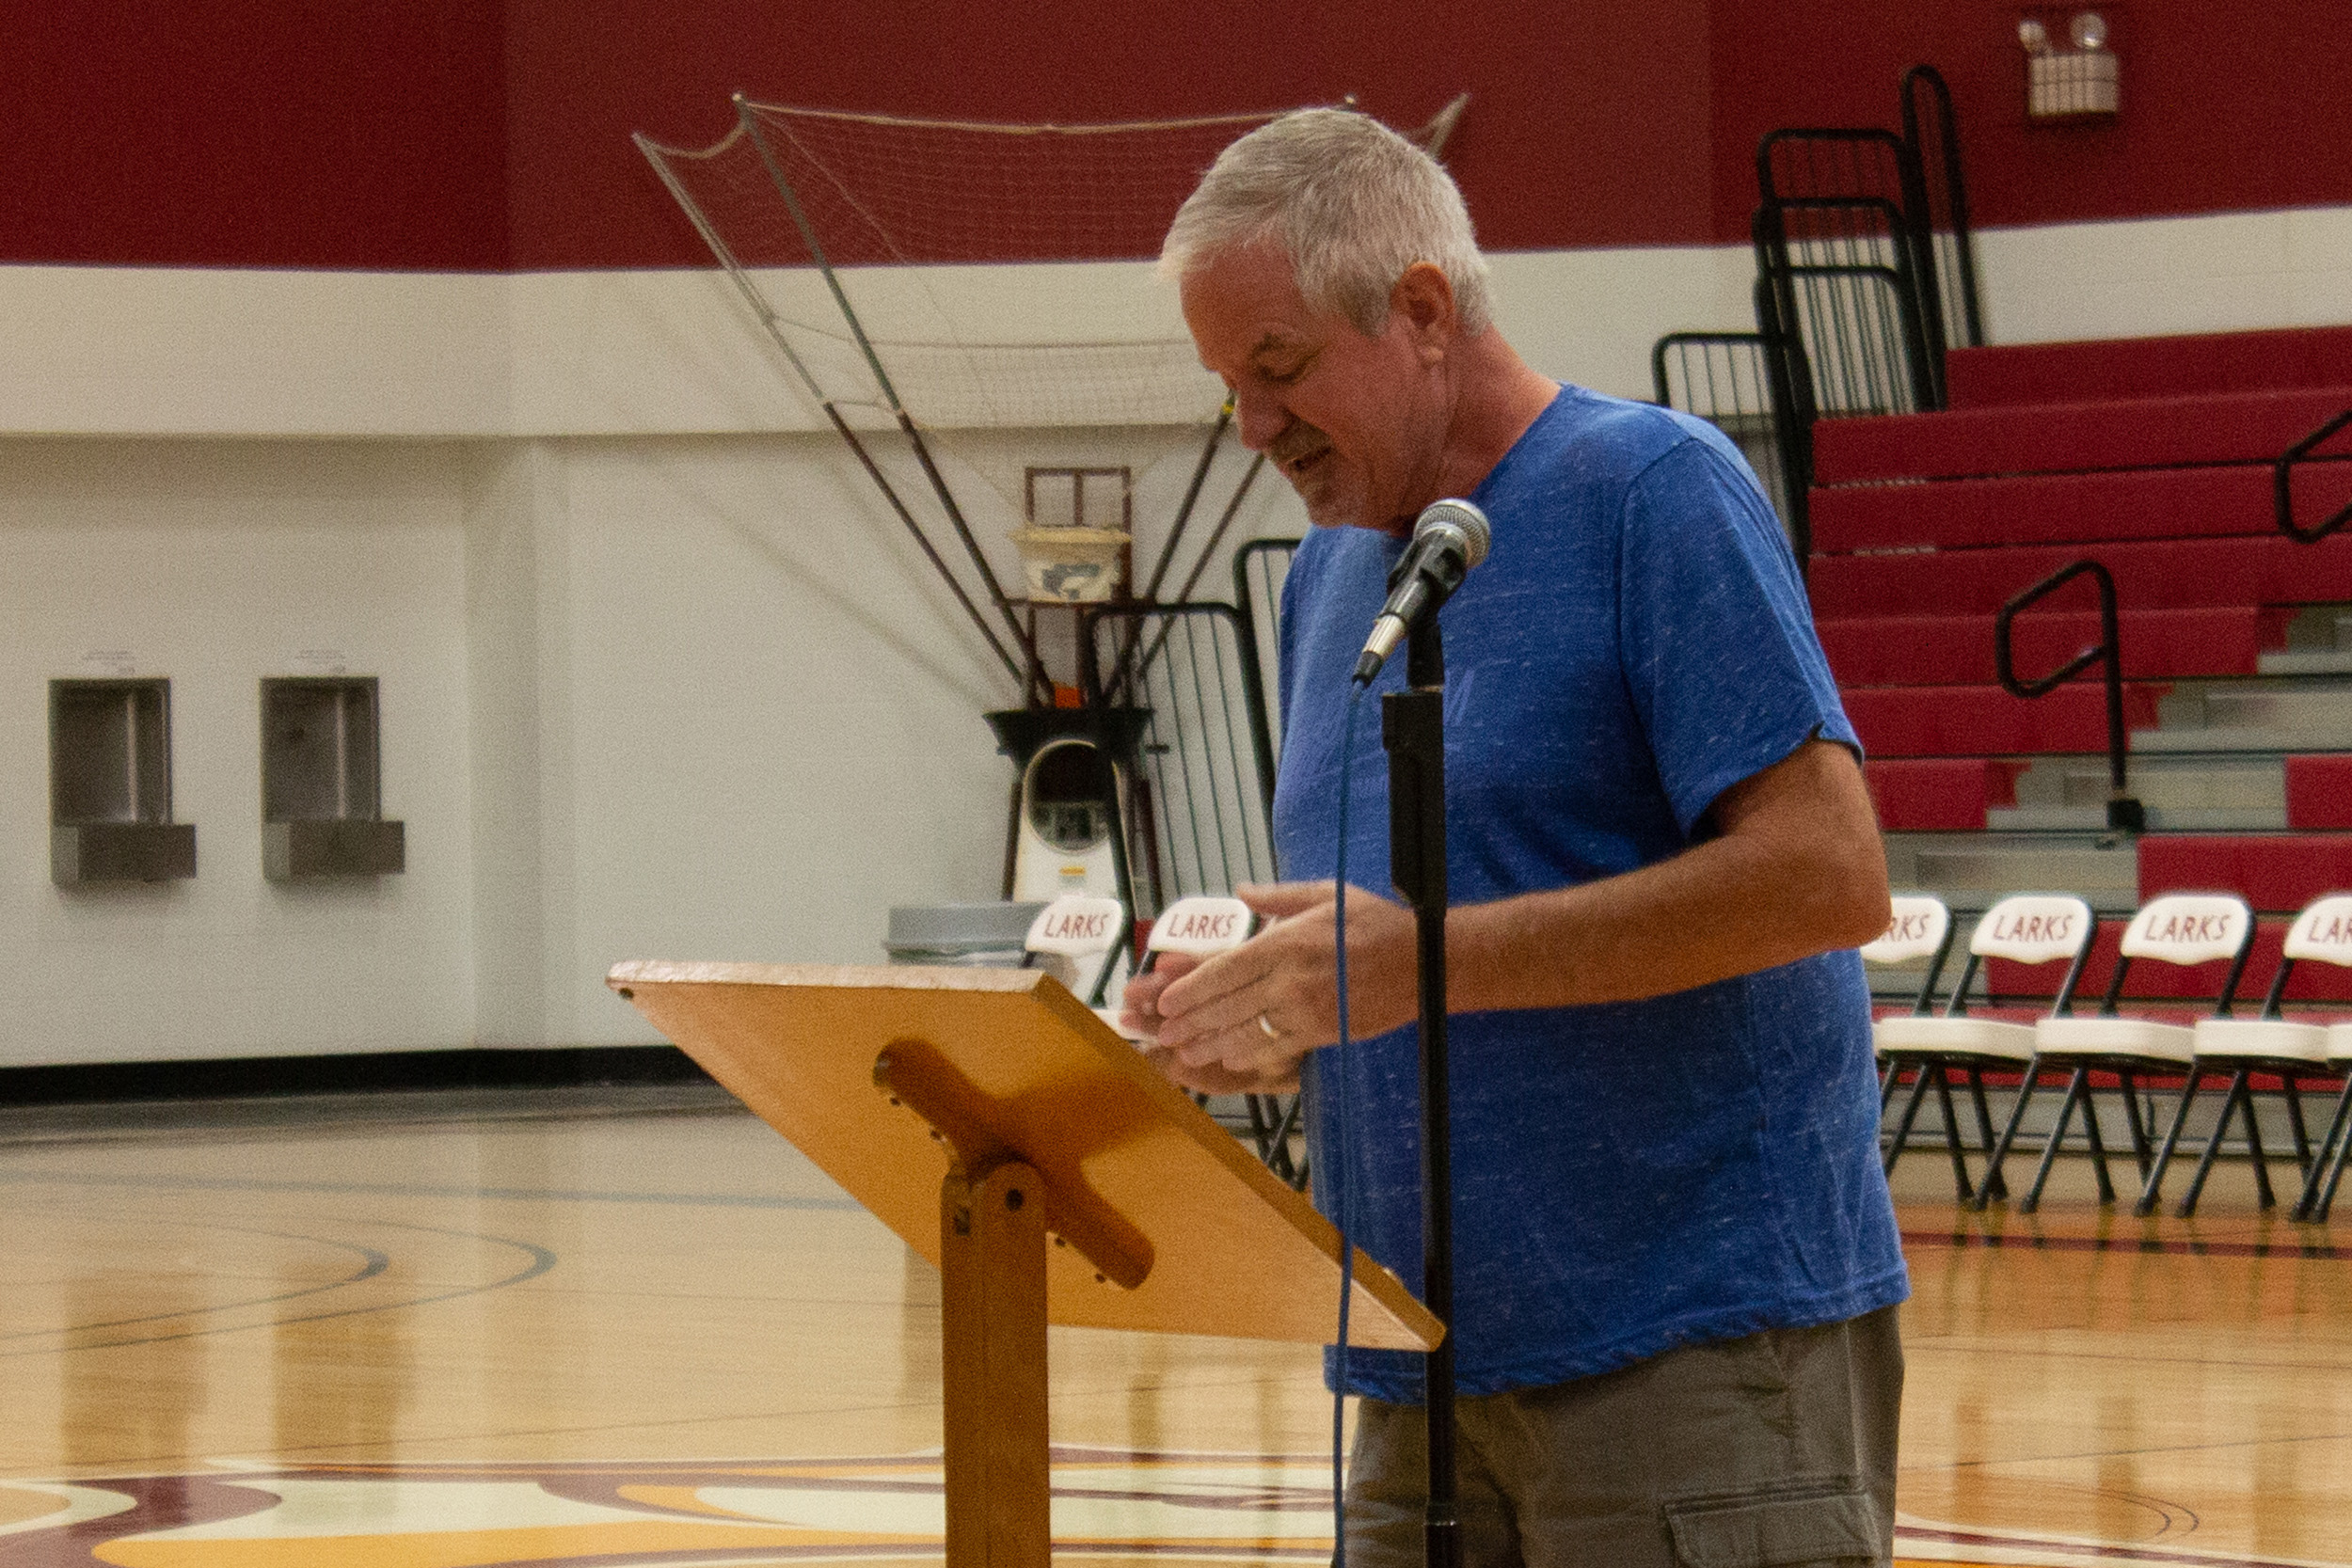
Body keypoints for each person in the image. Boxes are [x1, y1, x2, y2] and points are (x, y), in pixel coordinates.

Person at [1124, 108, 1908, 1568]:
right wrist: (1268, 1011)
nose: (1252, 429)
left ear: (1421, 308)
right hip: (1413, 1370)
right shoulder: (1332, 575)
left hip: (1690, 1355)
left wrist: (1421, 964)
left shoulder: (1652, 494)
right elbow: (1397, 954)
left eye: (1278, 370)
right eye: (1228, 386)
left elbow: (1828, 873)